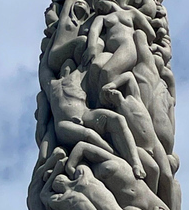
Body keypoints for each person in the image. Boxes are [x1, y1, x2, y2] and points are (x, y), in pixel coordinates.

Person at [39, 50, 146, 181]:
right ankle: (117, 156)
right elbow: (44, 69)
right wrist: (47, 51)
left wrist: (90, 46)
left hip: (85, 114)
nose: (67, 65)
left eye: (70, 63)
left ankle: (135, 161)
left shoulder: (78, 76)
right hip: (64, 124)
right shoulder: (52, 84)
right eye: (65, 63)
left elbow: (95, 56)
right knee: (89, 134)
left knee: (118, 119)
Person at [99, 75, 176, 210]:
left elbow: (129, 77)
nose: (113, 94)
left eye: (113, 92)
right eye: (109, 96)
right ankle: (150, 202)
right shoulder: (117, 114)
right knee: (153, 170)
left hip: (154, 144)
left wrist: (113, 84)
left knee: (166, 176)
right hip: (140, 148)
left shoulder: (133, 97)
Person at [83, 0, 155, 90]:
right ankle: (96, 101)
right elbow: (94, 31)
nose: (99, 8)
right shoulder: (102, 17)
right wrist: (91, 47)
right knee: (95, 67)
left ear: (109, 0)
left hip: (127, 46)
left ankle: (119, 89)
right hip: (109, 51)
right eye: (97, 8)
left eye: (100, 4)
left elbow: (151, 33)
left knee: (107, 72)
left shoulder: (131, 13)